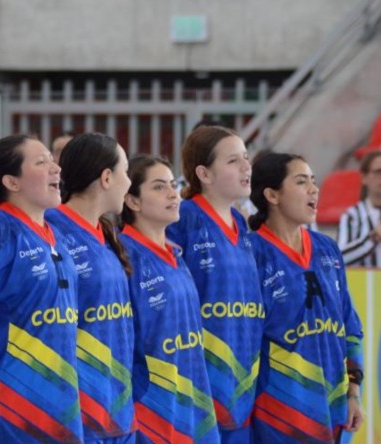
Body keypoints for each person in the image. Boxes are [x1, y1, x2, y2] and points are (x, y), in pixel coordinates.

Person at [0, 135, 83, 443]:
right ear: (11, 182)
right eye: (41, 162)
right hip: (5, 408)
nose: (56, 168)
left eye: (52, 161)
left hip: (59, 405)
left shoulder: (55, 233)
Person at [248, 152, 364, 443]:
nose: (314, 189)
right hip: (279, 417)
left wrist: (354, 392)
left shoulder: (327, 249)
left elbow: (350, 328)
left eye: (314, 181)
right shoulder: (251, 253)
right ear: (272, 195)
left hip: (335, 413)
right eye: (301, 182)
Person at [166, 126, 263, 442]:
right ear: (204, 174)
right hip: (199, 386)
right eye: (234, 161)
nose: (246, 167)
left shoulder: (242, 226)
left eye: (246, 158)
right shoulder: (183, 220)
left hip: (241, 388)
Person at [118, 155, 218, 443]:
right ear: (132, 201)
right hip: (151, 411)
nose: (173, 194)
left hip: (192, 405)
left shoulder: (176, 254)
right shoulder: (123, 255)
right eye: (159, 187)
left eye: (173, 185)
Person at [46, 133, 136, 442]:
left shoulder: (106, 233)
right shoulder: (52, 229)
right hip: (79, 409)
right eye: (126, 172)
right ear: (107, 177)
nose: (129, 182)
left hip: (117, 404)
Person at [337, 150, 381, 267]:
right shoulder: (352, 216)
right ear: (364, 178)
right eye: (378, 172)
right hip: (363, 284)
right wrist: (374, 237)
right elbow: (339, 259)